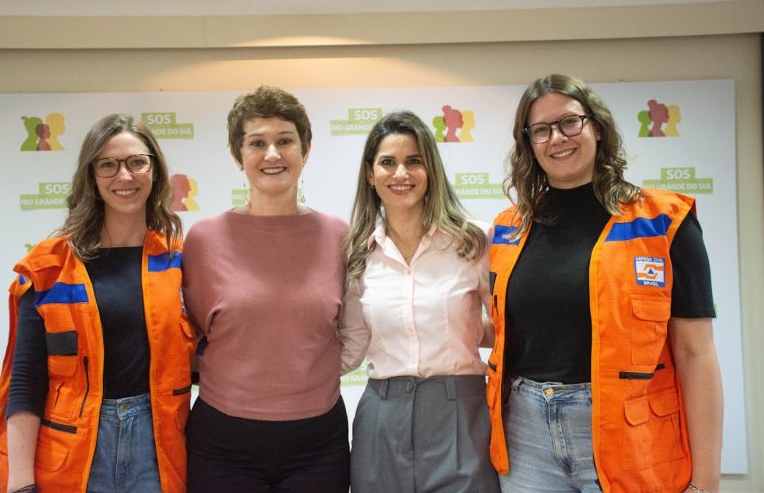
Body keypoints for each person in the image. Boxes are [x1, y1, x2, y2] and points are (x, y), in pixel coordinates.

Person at [487, 74, 723, 493]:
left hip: (629, 438)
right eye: (540, 130)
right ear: (529, 144)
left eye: (569, 122)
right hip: (526, 436)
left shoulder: (664, 221)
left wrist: (705, 483)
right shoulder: (508, 229)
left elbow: (696, 354)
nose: (557, 138)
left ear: (596, 127)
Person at [0, 114, 196, 492]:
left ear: (155, 170)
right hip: (72, 454)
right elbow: (26, 381)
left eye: (137, 162)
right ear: (91, 176)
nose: (125, 176)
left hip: (158, 451)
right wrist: (20, 484)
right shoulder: (49, 266)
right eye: (108, 165)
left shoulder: (179, 262)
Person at [182, 85, 350, 493]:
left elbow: (348, 330)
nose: (272, 154)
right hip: (223, 445)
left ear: (306, 150)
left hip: (318, 444)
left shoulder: (340, 237)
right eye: (257, 143)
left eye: (285, 141)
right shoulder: (204, 240)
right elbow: (197, 333)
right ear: (237, 154)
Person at [340, 110, 501, 493]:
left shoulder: (474, 241)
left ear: (431, 169)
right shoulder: (358, 254)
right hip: (381, 419)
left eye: (414, 161)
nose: (401, 173)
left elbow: (505, 329)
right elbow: (351, 347)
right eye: (388, 162)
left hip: (461, 414)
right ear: (370, 174)